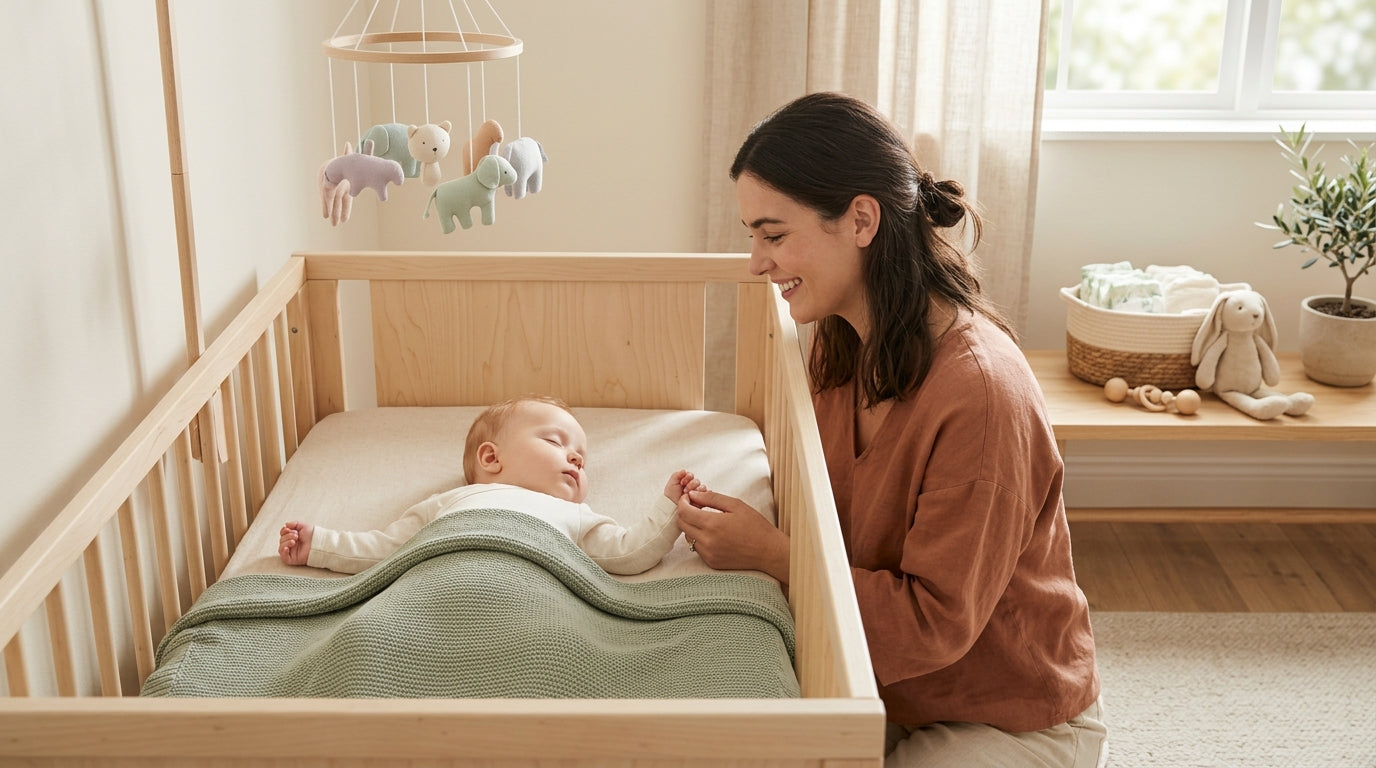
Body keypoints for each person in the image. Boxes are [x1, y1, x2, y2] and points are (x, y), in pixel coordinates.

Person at [676, 92, 1107, 767]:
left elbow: (934, 625)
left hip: (1003, 717)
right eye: (752, 236)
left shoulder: (981, 395)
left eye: (774, 234)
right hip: (880, 685)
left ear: (861, 220)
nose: (758, 262)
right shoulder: (841, 341)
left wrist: (773, 556)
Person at [280, 394, 699, 576]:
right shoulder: (450, 502)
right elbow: (383, 550)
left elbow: (630, 552)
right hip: (437, 588)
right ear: (491, 458)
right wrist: (317, 544)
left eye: (582, 459)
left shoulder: (575, 517)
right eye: (555, 441)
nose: (575, 457)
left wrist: (670, 509)